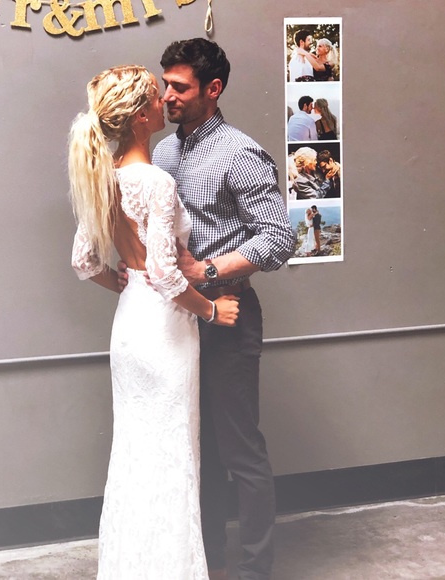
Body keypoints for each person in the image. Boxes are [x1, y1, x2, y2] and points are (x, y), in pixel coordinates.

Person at [121, 38, 296, 580]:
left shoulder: (240, 153)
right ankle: (209, 561)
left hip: (228, 314)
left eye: (179, 87)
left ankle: (255, 570)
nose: (166, 95)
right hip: (176, 320)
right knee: (197, 446)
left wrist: (208, 272)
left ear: (213, 89)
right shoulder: (162, 154)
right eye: (165, 85)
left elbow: (279, 239)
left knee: (239, 449)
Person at [69, 64, 240, 579]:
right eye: (153, 96)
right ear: (140, 118)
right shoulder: (157, 181)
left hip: (129, 326)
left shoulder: (104, 177)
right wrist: (212, 310)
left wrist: (124, 279)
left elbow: (84, 262)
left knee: (134, 453)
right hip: (164, 332)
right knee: (172, 454)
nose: (164, 100)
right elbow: (166, 275)